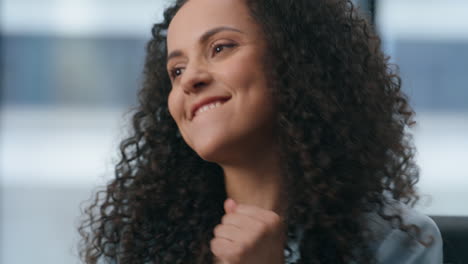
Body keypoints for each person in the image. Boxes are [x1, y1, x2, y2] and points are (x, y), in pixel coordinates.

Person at [79, 0, 443, 263]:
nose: (190, 77)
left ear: (295, 60)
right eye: (176, 70)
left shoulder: (397, 242)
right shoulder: (135, 240)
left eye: (220, 48)